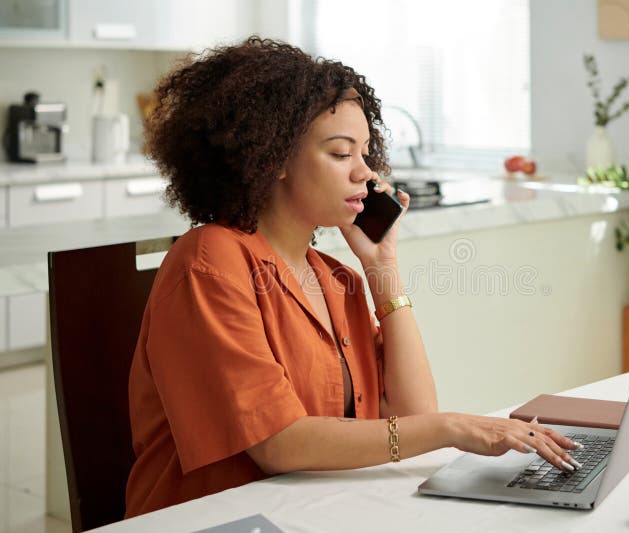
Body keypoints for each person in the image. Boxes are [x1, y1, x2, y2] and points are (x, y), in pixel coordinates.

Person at [125, 36, 581, 517]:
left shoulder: (337, 279)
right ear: (272, 158)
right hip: (217, 520)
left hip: (315, 510)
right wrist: (455, 428)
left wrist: (383, 270)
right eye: (341, 154)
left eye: (365, 153)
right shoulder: (210, 259)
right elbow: (279, 444)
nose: (365, 172)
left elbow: (412, 415)